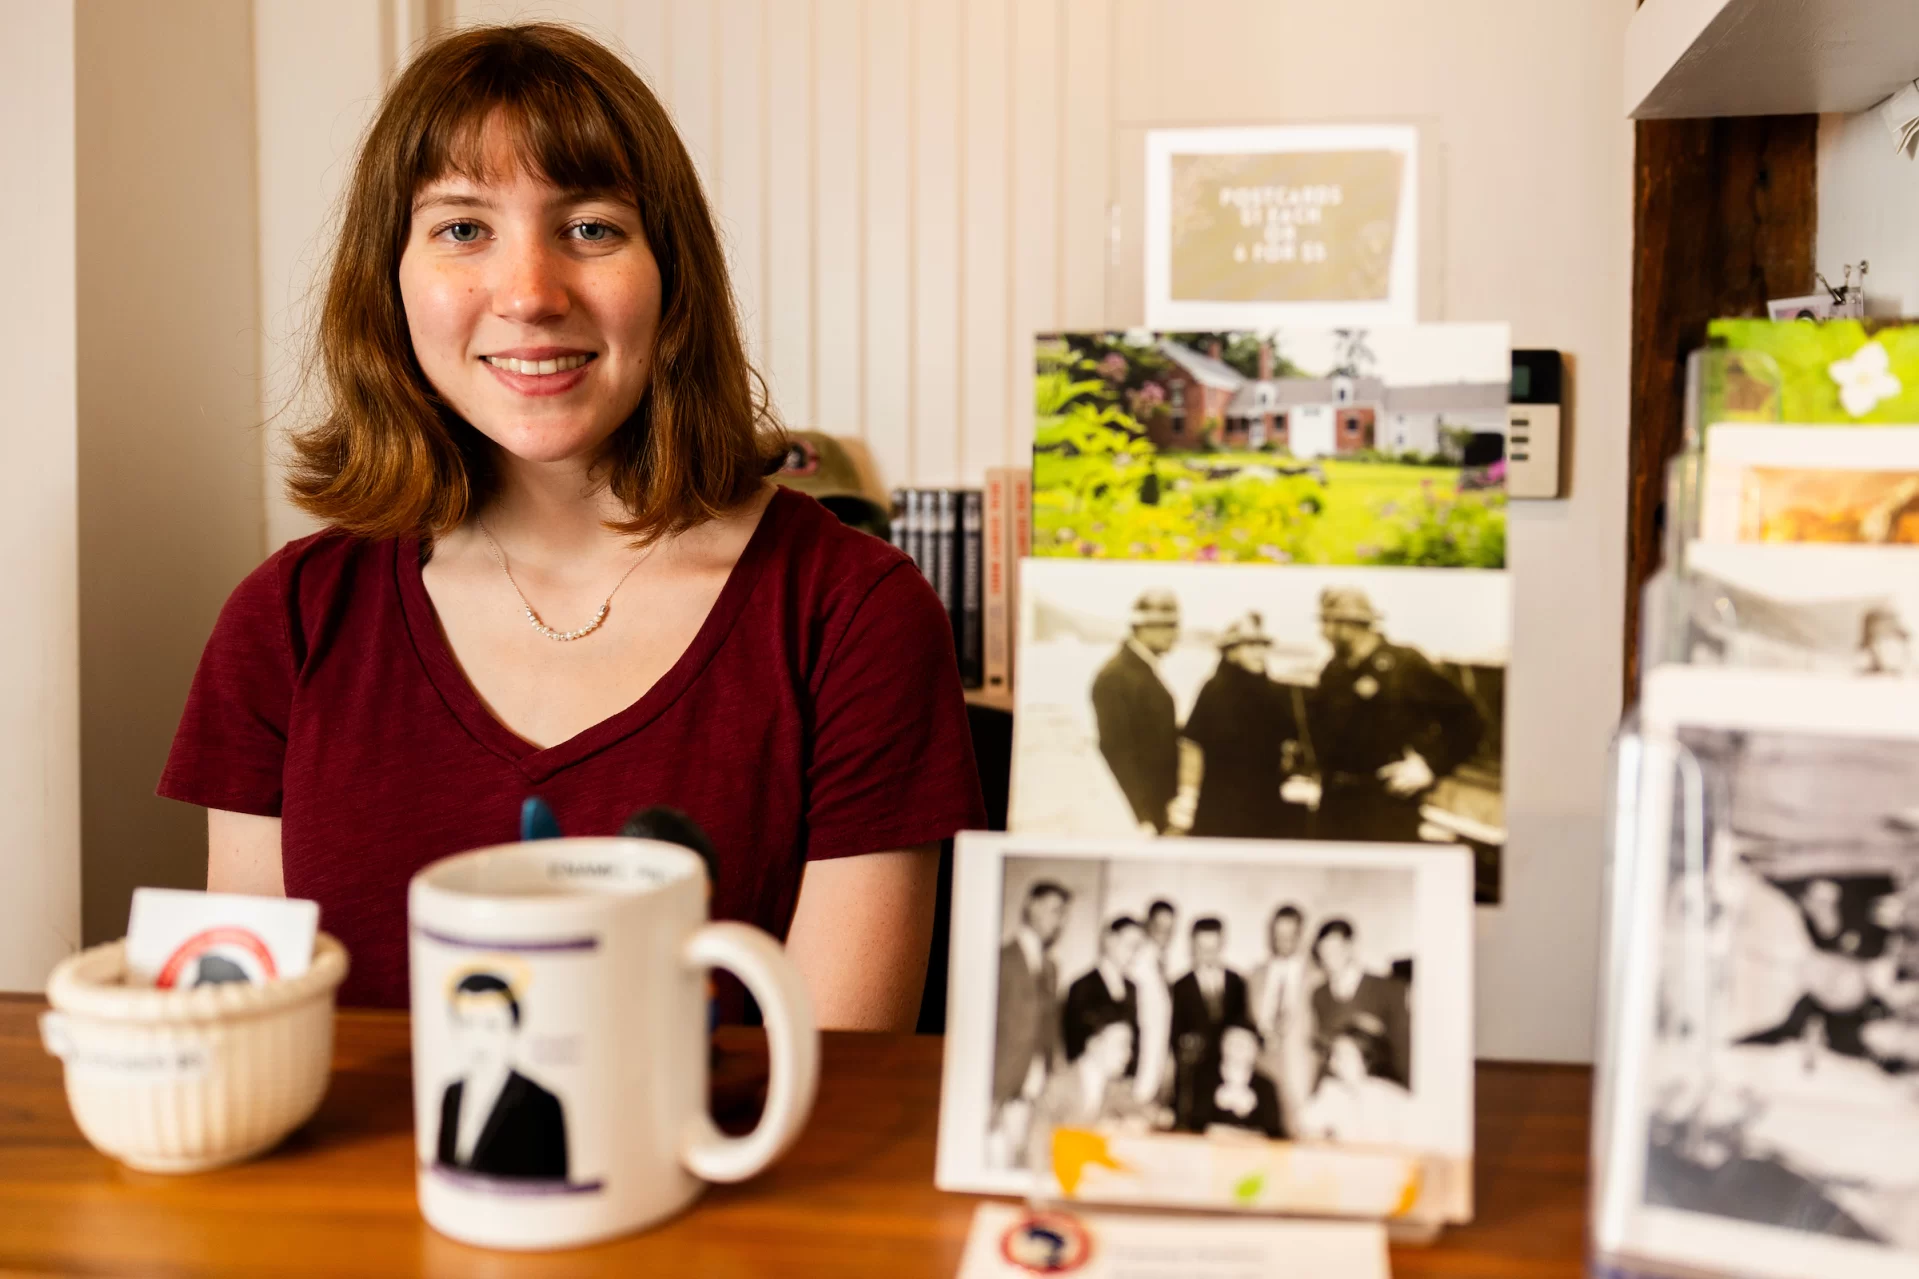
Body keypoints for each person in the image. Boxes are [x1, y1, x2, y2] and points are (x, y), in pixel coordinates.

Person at [155, 24, 984, 1030]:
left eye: (589, 227)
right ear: (391, 279)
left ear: (670, 273)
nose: (530, 295)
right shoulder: (285, 620)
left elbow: (835, 1089)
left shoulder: (852, 615)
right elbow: (248, 1047)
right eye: (463, 229)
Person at [1306, 587, 1483, 843]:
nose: (1322, 633)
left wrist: (1430, 767)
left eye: (1328, 623)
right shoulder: (1333, 670)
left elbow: (1469, 721)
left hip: (1385, 807)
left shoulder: (1404, 665)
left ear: (1349, 626)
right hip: (1335, 806)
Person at [1178, 613, 1311, 839]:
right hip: (1219, 805)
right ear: (1231, 652)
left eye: (1263, 646)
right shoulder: (1213, 691)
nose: (1259, 652)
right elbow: (1192, 747)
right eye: (1250, 646)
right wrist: (1187, 797)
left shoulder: (1276, 692)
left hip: (1266, 803)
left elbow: (1297, 741)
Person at [436, 972, 569, 1180]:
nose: (478, 1039)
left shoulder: (542, 1104)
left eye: (491, 1025)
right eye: (467, 1023)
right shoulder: (451, 1094)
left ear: (513, 1031)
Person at [1090, 590, 1183, 834]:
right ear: (1141, 628)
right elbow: (1116, 751)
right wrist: (1143, 818)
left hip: (1156, 809)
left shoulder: (1141, 670)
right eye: (1167, 626)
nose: (1175, 634)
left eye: (1175, 625)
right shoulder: (1115, 677)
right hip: (1138, 817)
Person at [994, 880, 1070, 1160]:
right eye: (1055, 910)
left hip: (1038, 1088)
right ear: (1032, 906)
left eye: (1063, 914)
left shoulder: (1051, 967)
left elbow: (1050, 1029)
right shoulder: (1002, 960)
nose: (1060, 920)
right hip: (1003, 1087)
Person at [1026, 1016, 1154, 1174]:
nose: (1128, 1055)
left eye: (1130, 1046)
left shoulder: (1116, 1090)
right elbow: (1037, 1141)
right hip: (1055, 1181)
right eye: (1121, 1045)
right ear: (1093, 1044)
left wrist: (1129, 1123)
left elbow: (1147, 1113)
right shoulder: (1059, 1085)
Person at [1169, 917, 1249, 1131]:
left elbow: (1243, 1026)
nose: (1208, 955)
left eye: (1213, 948)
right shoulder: (1180, 986)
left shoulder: (1238, 982)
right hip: (1194, 1078)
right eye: (1202, 948)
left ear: (1223, 945)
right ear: (1192, 946)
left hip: (1229, 1076)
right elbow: (1174, 1035)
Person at [1310, 918, 1411, 1087]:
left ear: (1351, 947)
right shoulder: (1318, 995)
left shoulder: (1388, 989)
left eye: (1335, 950)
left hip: (1378, 1085)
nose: (1329, 959)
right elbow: (1324, 1051)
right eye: (1324, 953)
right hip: (1337, 1087)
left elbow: (1402, 1047)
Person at [1247, 903, 1315, 1121]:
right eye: (1277, 934)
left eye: (1289, 934)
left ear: (1300, 935)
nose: (1282, 940)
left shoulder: (1317, 976)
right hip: (1263, 1065)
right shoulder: (1255, 975)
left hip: (1301, 1068)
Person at [1297, 1028, 1411, 1145]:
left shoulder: (1394, 1099)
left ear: (1367, 1059)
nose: (1333, 1064)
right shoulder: (1331, 1092)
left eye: (1343, 1056)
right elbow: (1307, 1128)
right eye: (1333, 1055)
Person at [1062, 917, 1145, 1072]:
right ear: (1110, 940)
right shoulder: (1082, 986)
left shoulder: (1132, 988)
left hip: (1120, 1079)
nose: (1134, 954)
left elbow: (1134, 1039)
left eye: (1138, 947)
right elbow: (1073, 1042)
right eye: (1130, 945)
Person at [1193, 1022, 1284, 1139]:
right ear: (1222, 1045)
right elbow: (1194, 1126)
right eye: (1233, 1043)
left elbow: (1274, 1133)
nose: (1239, 1049)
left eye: (1245, 1044)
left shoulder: (1265, 1086)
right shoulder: (1204, 1080)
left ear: (1255, 1050)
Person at [1129, 900, 1177, 1105]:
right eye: (1159, 927)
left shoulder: (1161, 962)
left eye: (1170, 929)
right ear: (1147, 925)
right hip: (1139, 1055)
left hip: (1156, 1055)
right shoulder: (1136, 962)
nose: (1164, 934)